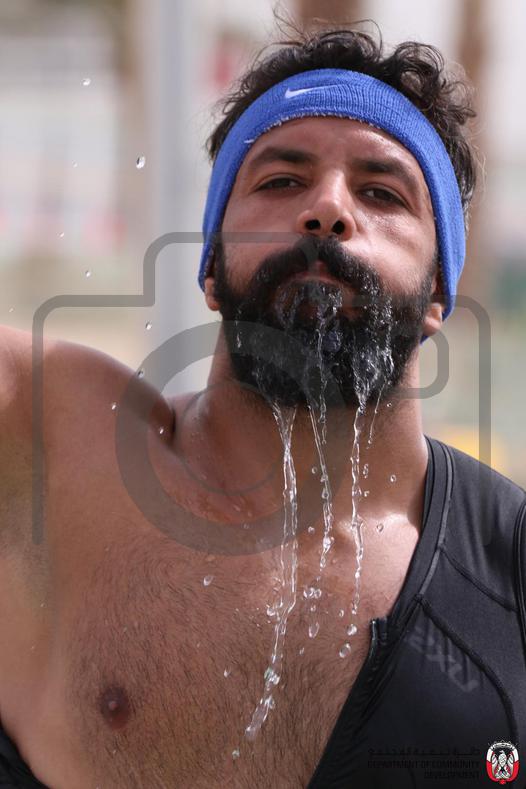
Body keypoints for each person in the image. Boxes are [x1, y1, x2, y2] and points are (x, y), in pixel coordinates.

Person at [1, 24, 525, 789]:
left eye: (381, 193)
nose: (327, 208)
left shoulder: (509, 565)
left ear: (440, 291)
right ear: (211, 267)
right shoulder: (48, 444)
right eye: (281, 181)